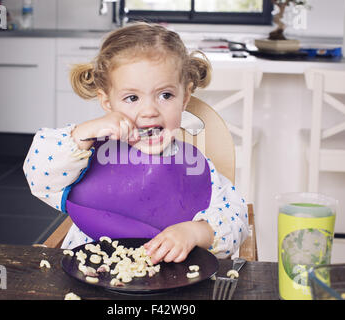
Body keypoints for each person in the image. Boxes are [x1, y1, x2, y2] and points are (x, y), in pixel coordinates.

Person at [23, 22, 249, 264]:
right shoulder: (83, 156)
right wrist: (82, 133)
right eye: (132, 98)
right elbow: (39, 177)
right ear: (107, 102)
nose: (149, 111)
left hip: (173, 282)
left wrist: (196, 232)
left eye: (166, 95)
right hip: (88, 274)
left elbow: (237, 220)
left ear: (185, 98)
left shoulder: (196, 166)